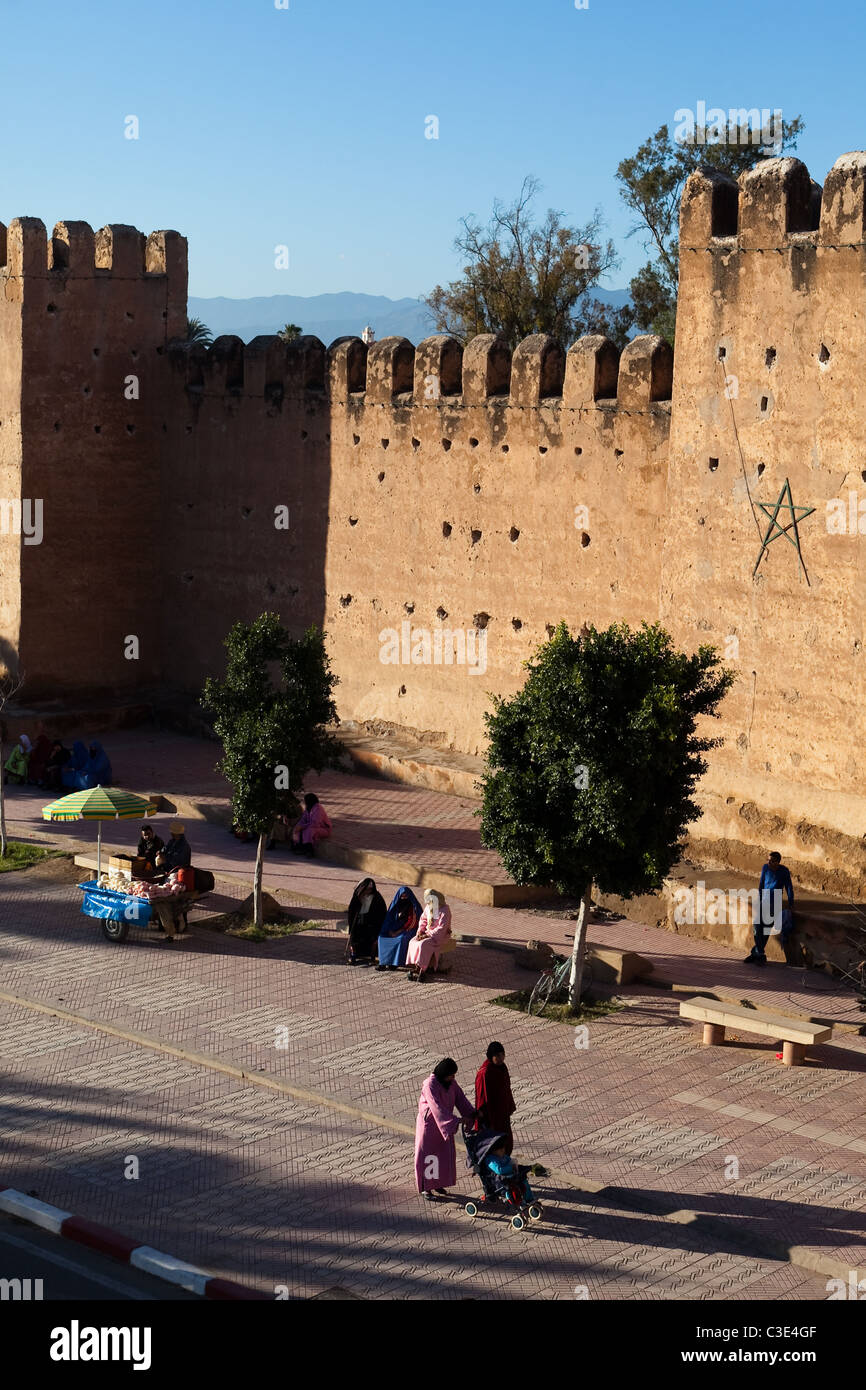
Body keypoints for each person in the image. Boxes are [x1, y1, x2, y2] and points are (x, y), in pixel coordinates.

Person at [414, 1058, 475, 1200]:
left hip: (443, 1125)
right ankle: (426, 1188)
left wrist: (472, 1114)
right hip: (429, 1126)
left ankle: (436, 1183)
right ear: (444, 1073)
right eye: (451, 1075)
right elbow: (437, 1108)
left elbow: (461, 1099)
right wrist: (456, 1120)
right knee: (428, 1157)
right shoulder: (430, 1085)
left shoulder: (451, 1083)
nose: (453, 1078)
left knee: (440, 1156)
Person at [745, 850, 795, 967]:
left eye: (772, 861)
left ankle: (757, 954)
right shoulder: (765, 868)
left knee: (766, 929)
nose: (769, 862)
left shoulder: (784, 871)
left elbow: (789, 887)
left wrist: (791, 903)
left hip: (775, 901)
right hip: (765, 899)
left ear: (777, 862)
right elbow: (761, 884)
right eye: (768, 860)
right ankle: (759, 953)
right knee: (757, 926)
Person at [475, 1041, 517, 1155]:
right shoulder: (485, 1073)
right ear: (491, 1056)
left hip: (502, 1114)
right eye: (497, 1056)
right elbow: (482, 1097)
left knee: (506, 1141)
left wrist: (509, 1106)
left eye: (502, 1054)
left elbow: (506, 1088)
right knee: (494, 1145)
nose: (501, 1058)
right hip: (491, 1117)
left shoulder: (502, 1067)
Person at [407, 888, 452, 982]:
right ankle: (416, 965)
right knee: (413, 941)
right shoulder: (428, 907)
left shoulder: (445, 910)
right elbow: (423, 920)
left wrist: (427, 935)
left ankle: (422, 969)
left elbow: (441, 928)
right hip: (427, 934)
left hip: (439, 936)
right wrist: (420, 932)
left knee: (423, 945)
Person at [377, 886, 422, 971]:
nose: (403, 898)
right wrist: (389, 930)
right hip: (394, 928)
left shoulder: (413, 905)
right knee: (382, 937)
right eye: (402, 896)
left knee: (400, 940)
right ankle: (383, 962)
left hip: (408, 929)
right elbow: (389, 918)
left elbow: (412, 922)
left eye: (406, 896)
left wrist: (398, 932)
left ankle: (394, 963)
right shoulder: (395, 904)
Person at [347, 877, 387, 965]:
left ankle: (372, 955)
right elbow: (352, 910)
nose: (368, 891)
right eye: (367, 889)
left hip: (371, 921)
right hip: (359, 920)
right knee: (355, 936)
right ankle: (353, 954)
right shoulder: (357, 896)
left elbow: (381, 912)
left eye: (370, 889)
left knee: (372, 936)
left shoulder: (377, 897)